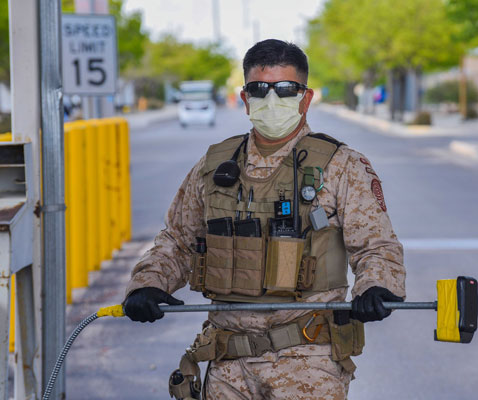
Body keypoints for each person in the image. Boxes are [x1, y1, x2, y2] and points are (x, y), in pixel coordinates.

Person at [123, 39, 406, 400]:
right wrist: (149, 284)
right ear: (245, 99)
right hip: (228, 361)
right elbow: (178, 240)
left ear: (305, 98)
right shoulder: (215, 166)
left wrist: (376, 286)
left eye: (286, 89)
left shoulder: (340, 165)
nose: (272, 100)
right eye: (260, 89)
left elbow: (376, 245)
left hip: (307, 360)